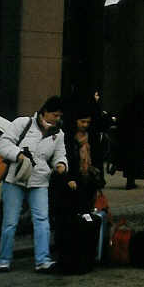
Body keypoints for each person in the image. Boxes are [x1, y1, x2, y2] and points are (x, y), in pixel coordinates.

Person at [0, 95, 68, 273]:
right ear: (45, 112)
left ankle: (42, 260)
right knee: (10, 222)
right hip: (15, 178)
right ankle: (4, 260)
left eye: (60, 116)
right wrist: (18, 155)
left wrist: (61, 164)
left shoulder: (58, 134)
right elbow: (4, 143)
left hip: (40, 180)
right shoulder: (23, 123)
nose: (58, 119)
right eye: (55, 115)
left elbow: (60, 154)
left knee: (42, 220)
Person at [53, 102, 105, 261]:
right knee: (69, 216)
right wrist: (69, 178)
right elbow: (64, 159)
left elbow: (97, 159)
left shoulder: (92, 137)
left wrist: (98, 178)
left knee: (86, 214)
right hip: (71, 183)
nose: (85, 125)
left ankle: (83, 248)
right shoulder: (68, 137)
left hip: (87, 182)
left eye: (87, 122)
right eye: (82, 122)